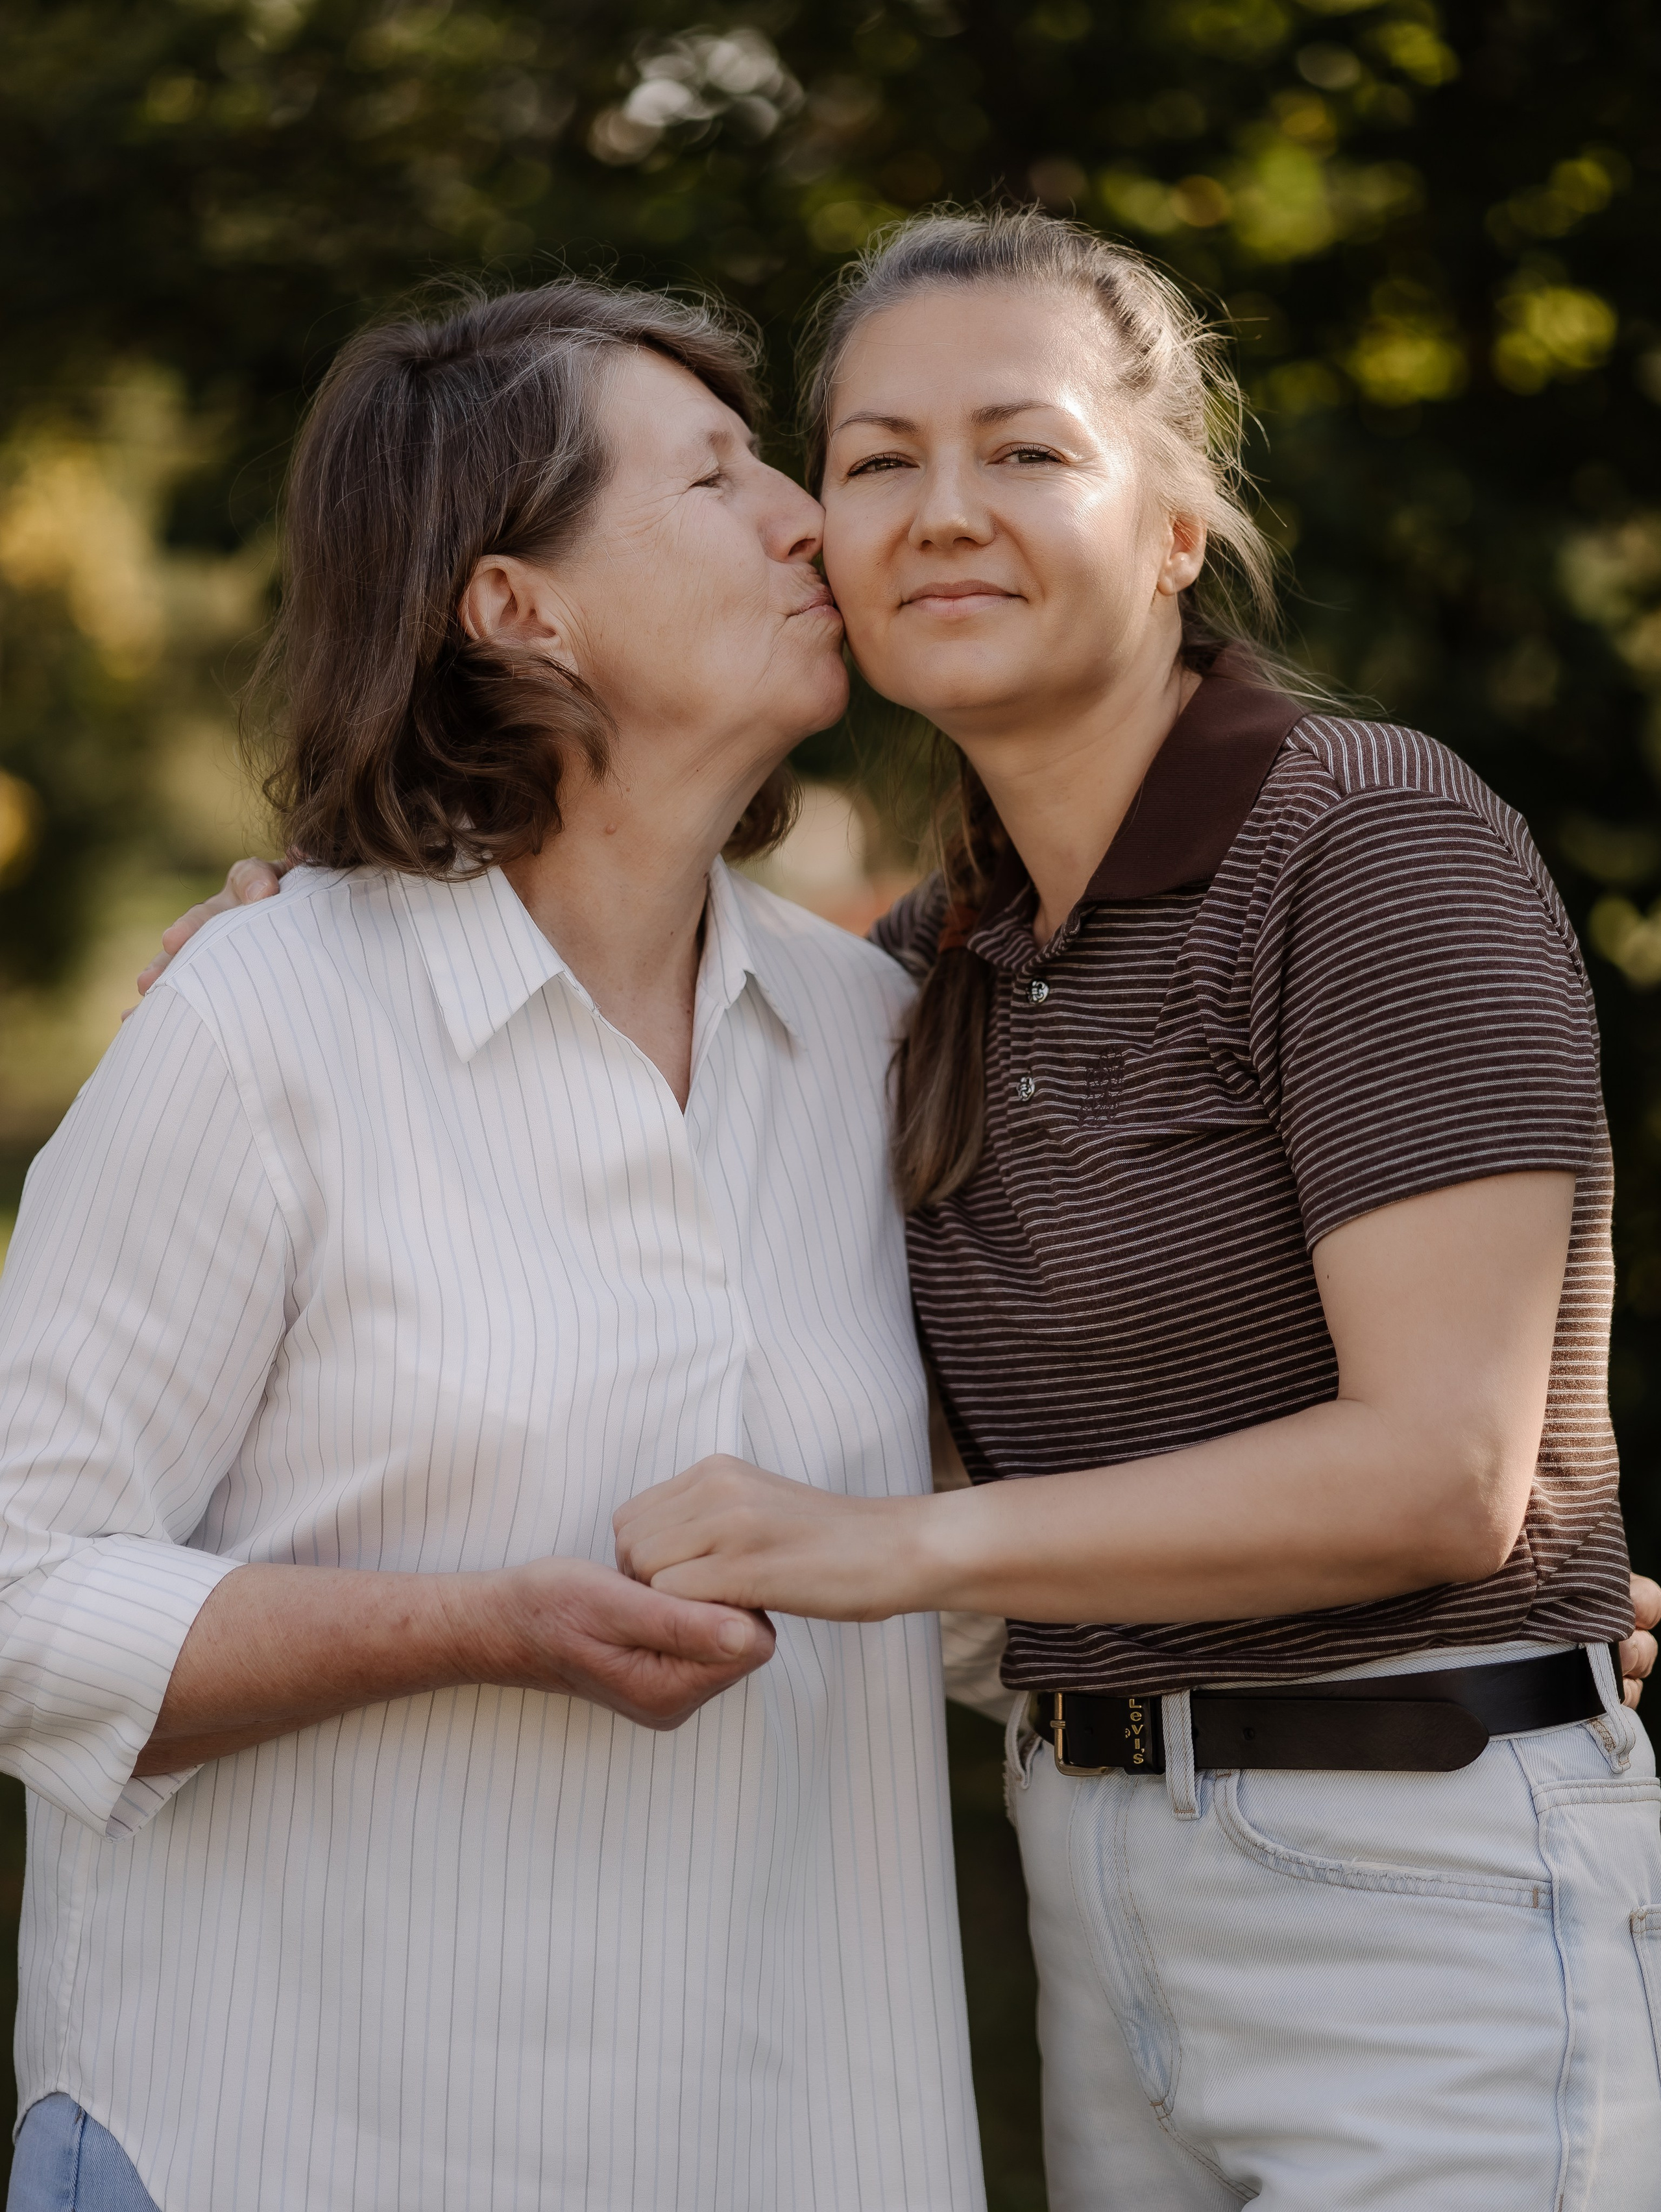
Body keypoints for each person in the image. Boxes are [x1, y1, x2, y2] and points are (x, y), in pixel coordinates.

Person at [606, 212, 1661, 2209]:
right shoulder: (926, 967)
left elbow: (1446, 1473)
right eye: (879, 460)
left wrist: (906, 1546)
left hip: (1420, 1883)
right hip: (1093, 1881)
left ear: (1176, 525)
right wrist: (329, 950)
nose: (942, 512)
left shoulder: (1370, 847)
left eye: (1026, 450)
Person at [0, 282, 983, 2212]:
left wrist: (1415, 1616)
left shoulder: (873, 1038)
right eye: (717, 474)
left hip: (795, 2147)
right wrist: (479, 1624)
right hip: (276, 2148)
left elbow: (988, 1587)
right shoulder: (262, 1022)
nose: (810, 515)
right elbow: (17, 1592)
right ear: (518, 607)